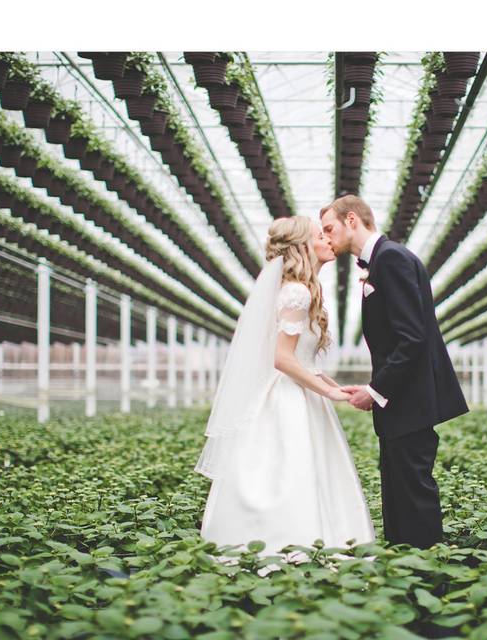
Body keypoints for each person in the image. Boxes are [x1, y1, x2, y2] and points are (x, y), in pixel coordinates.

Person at [196, 215, 375, 567]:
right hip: (288, 398)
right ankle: (294, 546)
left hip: (296, 391)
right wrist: (330, 395)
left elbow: (302, 361)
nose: (327, 240)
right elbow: (282, 359)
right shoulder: (297, 291)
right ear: (302, 247)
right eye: (319, 235)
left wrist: (330, 384)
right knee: (294, 469)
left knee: (297, 470)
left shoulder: (297, 288)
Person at [320, 194, 468, 550]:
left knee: (412, 491)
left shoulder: (391, 260)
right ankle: (405, 563)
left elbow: (412, 338)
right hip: (403, 404)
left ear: (352, 220)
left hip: (410, 402)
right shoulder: (383, 261)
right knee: (399, 488)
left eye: (329, 228)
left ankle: (426, 568)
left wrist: (375, 390)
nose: (326, 238)